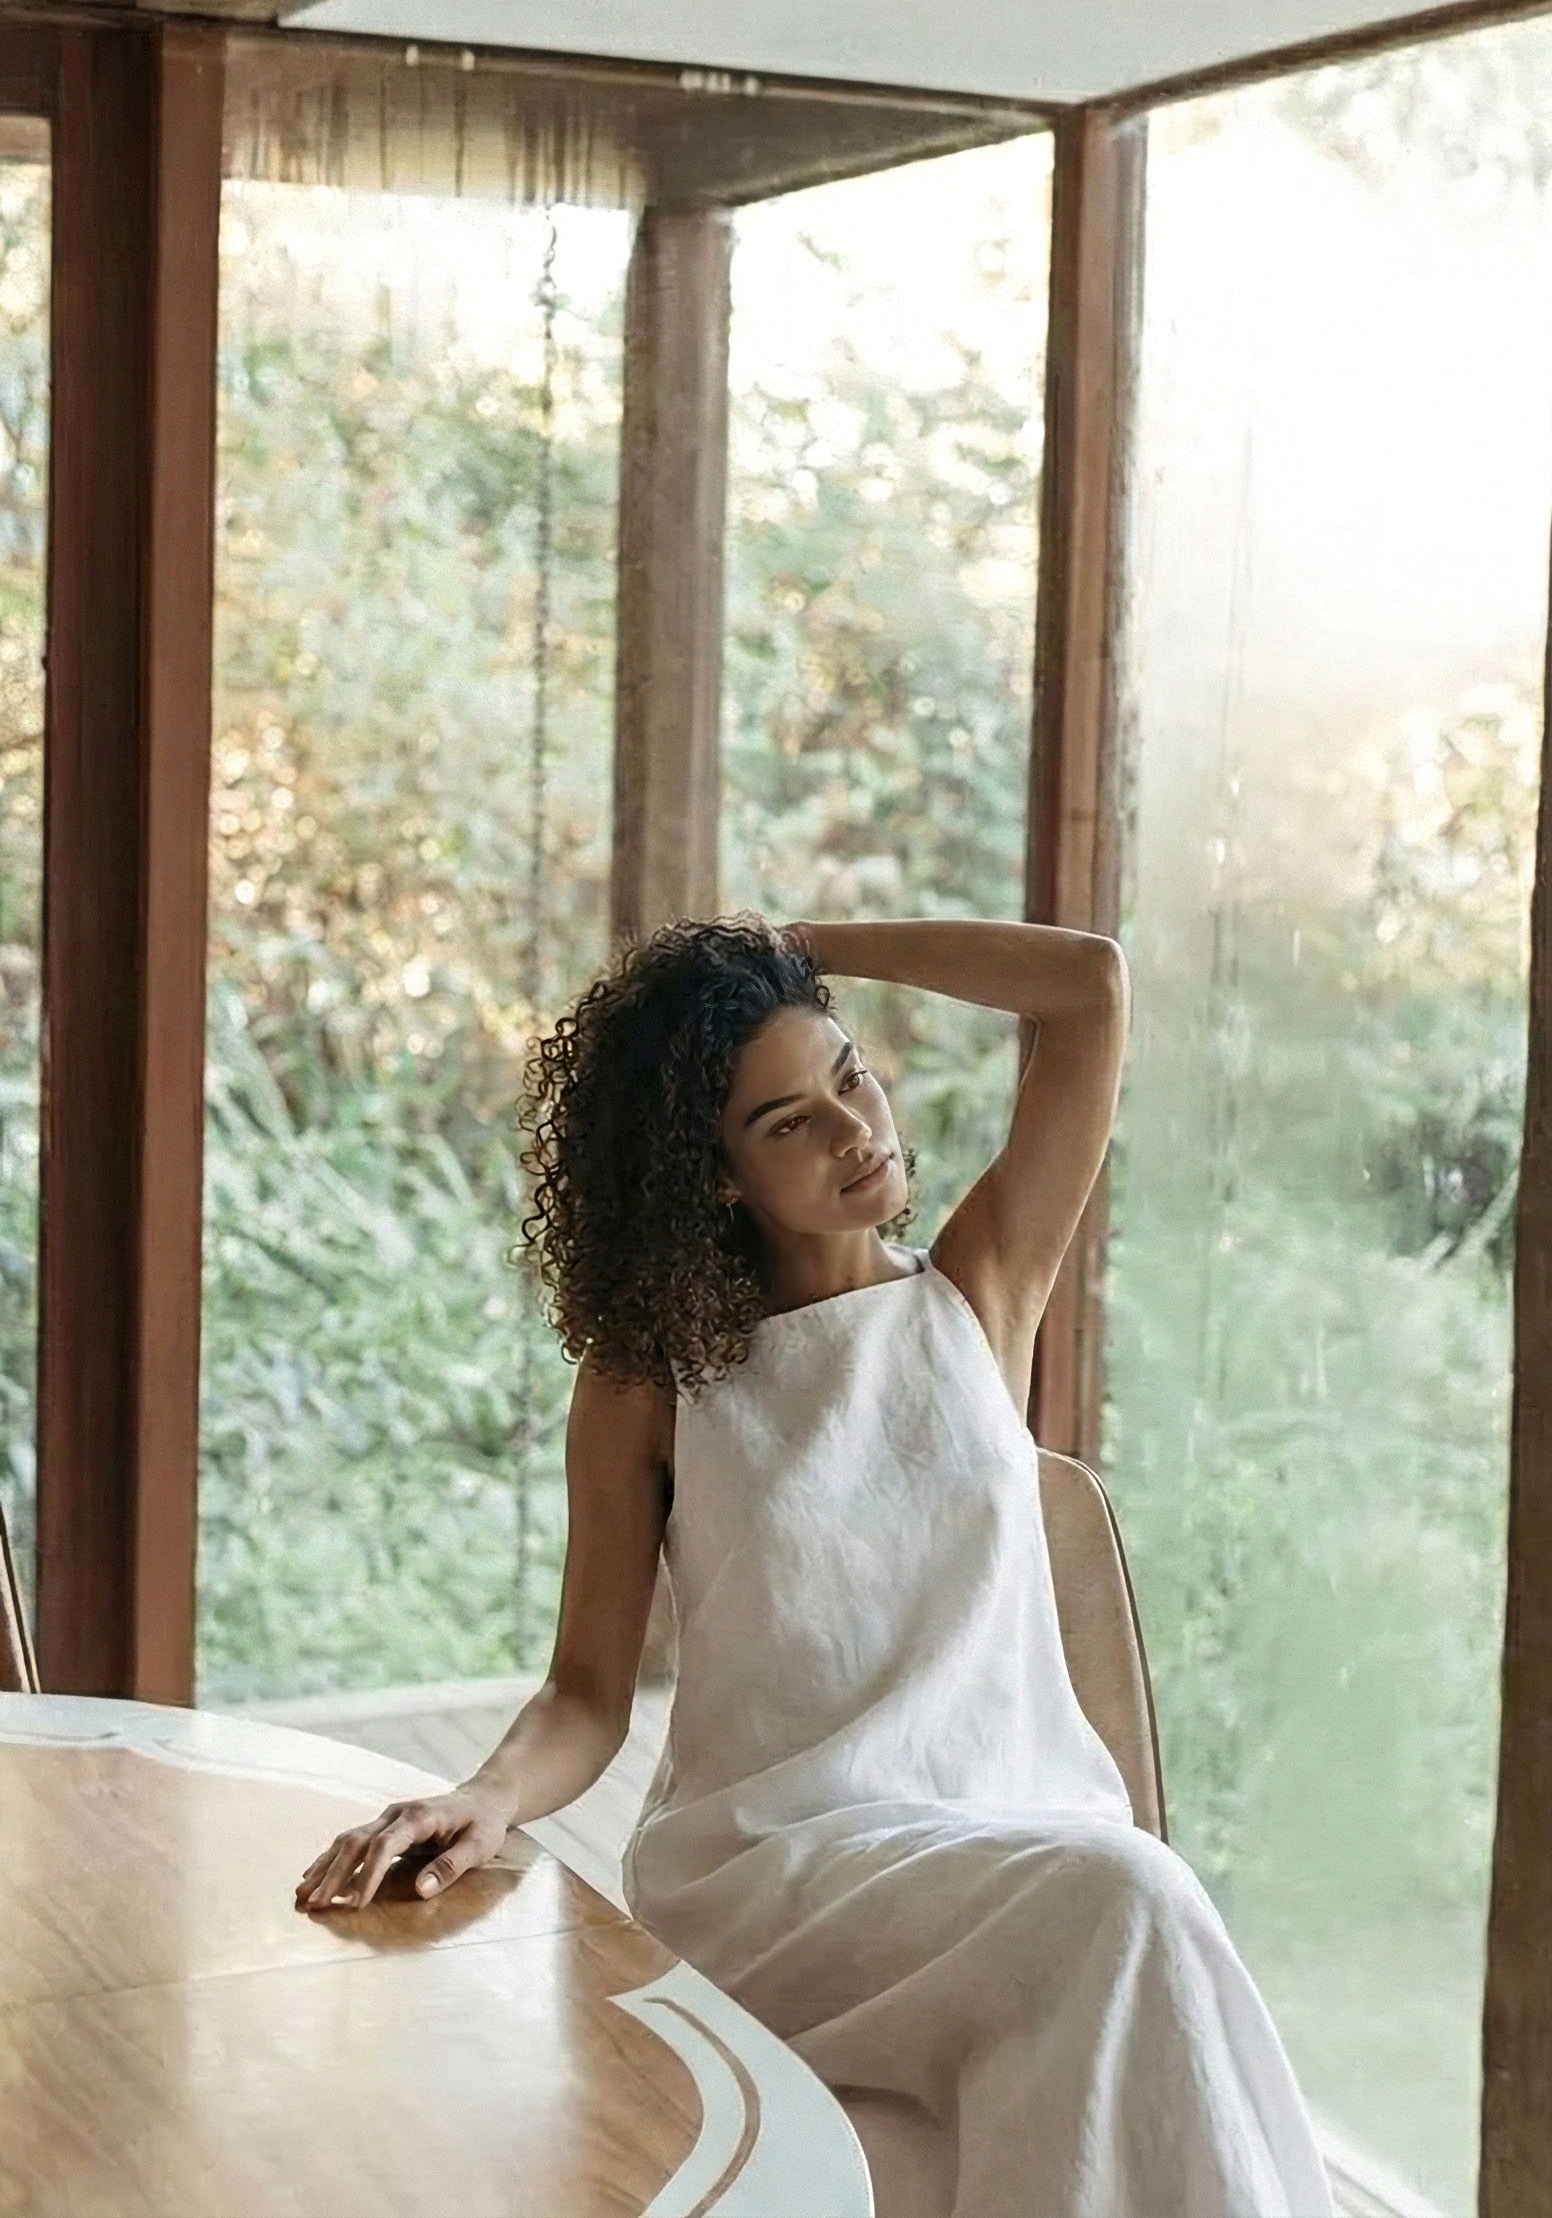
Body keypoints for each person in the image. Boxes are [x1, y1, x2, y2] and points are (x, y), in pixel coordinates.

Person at [295, 912, 1337, 2218]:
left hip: (1018, 1838)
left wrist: (789, 948)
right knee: (1133, 1896)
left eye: (851, 1077)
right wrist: (488, 1795)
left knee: (1122, 1910)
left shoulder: (980, 1292)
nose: (855, 1132)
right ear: (717, 1176)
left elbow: (1091, 988)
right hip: (780, 1876)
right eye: (790, 1122)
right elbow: (585, 1694)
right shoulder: (651, 1384)